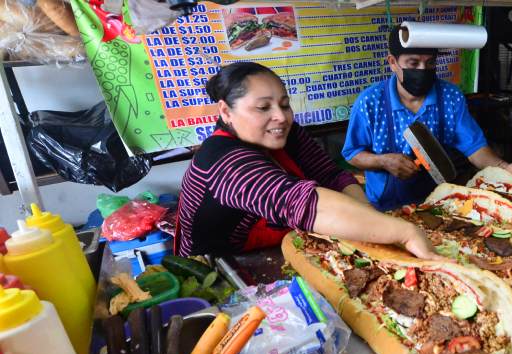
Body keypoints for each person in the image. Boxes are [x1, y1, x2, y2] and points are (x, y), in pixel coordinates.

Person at [176, 62, 440, 259]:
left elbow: (332, 176)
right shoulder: (224, 162)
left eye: (284, 104)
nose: (280, 116)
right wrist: (404, 232)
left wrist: (370, 220)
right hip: (224, 267)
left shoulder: (284, 132)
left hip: (275, 245)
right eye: (263, 107)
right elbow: (304, 204)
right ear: (225, 111)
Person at [341, 25, 512, 211]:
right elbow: (352, 154)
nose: (423, 70)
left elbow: (475, 148)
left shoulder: (450, 96)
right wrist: (383, 161)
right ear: (392, 62)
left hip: (440, 203)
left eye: (430, 63)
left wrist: (504, 168)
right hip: (386, 207)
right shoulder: (370, 102)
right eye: (413, 64)